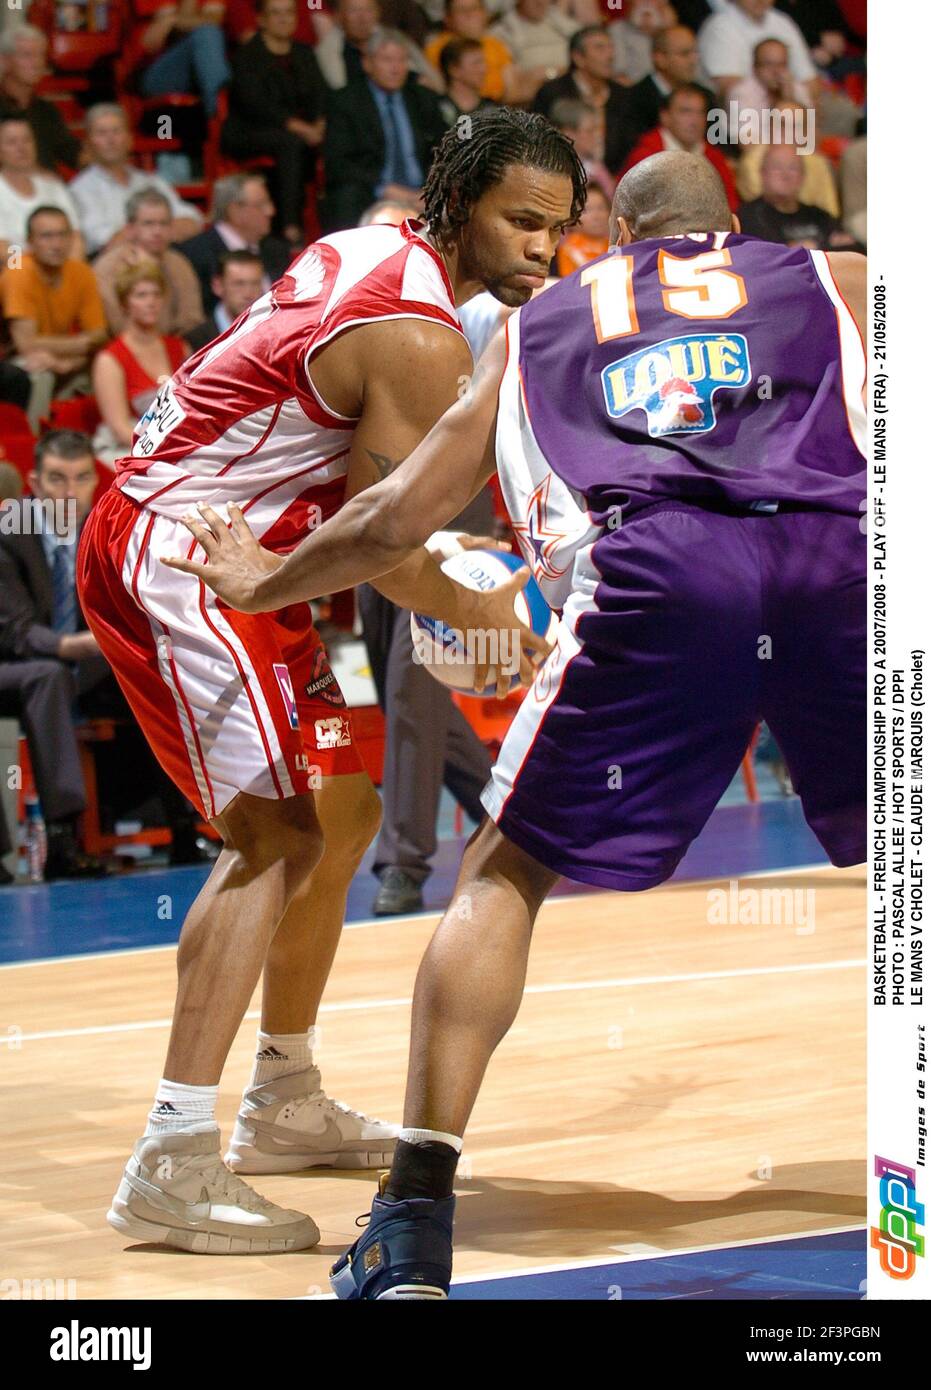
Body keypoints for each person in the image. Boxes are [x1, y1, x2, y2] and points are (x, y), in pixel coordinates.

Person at [169, 151, 867, 1299]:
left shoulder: (543, 322)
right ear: (731, 223)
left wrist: (263, 579)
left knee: (503, 875)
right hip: (839, 566)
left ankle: (412, 1220)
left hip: (657, 576)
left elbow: (395, 514)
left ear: (610, 234)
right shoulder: (835, 274)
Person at [76, 107, 580, 1255]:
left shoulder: (369, 240)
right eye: (521, 223)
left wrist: (462, 593)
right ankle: (170, 1155)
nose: (543, 252)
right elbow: (389, 549)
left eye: (557, 229)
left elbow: (356, 524)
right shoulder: (421, 337)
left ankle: (284, 1096)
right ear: (458, 204)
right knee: (274, 835)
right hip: (199, 558)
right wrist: (508, 614)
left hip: (270, 559)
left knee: (343, 807)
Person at [0, 431, 204, 878]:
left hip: (89, 668)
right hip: (18, 667)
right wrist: (89, 643)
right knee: (47, 675)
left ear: (97, 481)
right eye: (56, 479)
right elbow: (17, 633)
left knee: (157, 668)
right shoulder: (10, 534)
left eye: (79, 479)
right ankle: (61, 840)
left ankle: (187, 827)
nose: (68, 493)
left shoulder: (110, 529)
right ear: (34, 482)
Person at [221, 0, 328, 248]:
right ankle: (290, 228)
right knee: (290, 144)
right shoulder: (248, 55)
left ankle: (336, 223)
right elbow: (255, 105)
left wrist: (321, 124)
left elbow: (321, 94)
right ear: (261, 19)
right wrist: (303, 129)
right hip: (250, 131)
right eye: (275, 13)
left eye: (289, 13)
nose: (283, 19)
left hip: (303, 132)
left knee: (338, 137)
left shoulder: (304, 52)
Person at [321, 29, 447, 233]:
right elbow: (338, 163)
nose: (396, 68)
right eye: (387, 60)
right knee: (345, 195)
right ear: (367, 63)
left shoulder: (423, 98)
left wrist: (430, 190)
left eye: (402, 60)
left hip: (422, 191)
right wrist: (386, 189)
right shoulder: (345, 102)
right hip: (372, 190)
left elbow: (444, 148)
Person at [1, 205, 107, 432]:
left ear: (72, 238)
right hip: (17, 361)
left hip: (68, 360)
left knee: (107, 365)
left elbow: (99, 336)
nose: (56, 244)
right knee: (40, 373)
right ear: (30, 241)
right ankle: (33, 444)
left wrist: (67, 362)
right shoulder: (18, 270)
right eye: (47, 236)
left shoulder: (81, 272)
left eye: (62, 235)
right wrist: (81, 343)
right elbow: (26, 345)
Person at [68, 104, 203, 259]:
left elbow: (192, 220)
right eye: (102, 133)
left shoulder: (151, 182)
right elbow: (105, 241)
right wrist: (161, 230)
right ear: (88, 143)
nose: (110, 139)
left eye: (116, 131)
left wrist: (141, 232)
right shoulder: (80, 189)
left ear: (129, 139)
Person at [92, 261, 189, 469]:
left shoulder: (180, 348)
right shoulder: (109, 359)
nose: (151, 302)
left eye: (156, 294)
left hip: (180, 443)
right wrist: (164, 452)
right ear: (125, 303)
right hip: (131, 448)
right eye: (141, 295)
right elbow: (119, 428)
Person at [93, 187, 205, 337]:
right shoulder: (106, 269)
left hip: (177, 350)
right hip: (126, 351)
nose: (157, 231)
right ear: (130, 229)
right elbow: (117, 327)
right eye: (148, 224)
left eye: (163, 224)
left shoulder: (180, 263)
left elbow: (192, 321)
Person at [174, 173, 293, 313]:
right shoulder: (194, 254)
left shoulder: (276, 249)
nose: (270, 211)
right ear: (235, 211)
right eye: (261, 205)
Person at [533, 25, 637, 174]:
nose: (610, 55)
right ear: (578, 57)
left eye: (611, 47)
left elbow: (631, 146)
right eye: (600, 48)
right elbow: (540, 143)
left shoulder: (624, 95)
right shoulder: (552, 94)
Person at [621, 84, 739, 210]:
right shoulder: (645, 157)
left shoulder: (715, 158)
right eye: (685, 111)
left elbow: (730, 208)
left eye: (700, 112)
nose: (694, 121)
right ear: (665, 116)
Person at [738, 144, 854, 248]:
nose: (785, 175)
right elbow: (770, 254)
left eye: (793, 168)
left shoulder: (819, 216)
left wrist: (810, 246)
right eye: (777, 167)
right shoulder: (748, 216)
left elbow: (852, 246)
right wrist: (826, 245)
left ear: (803, 176)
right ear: (762, 173)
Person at [698, 0, 817, 102]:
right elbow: (728, 87)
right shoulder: (720, 26)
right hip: (741, 115)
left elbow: (810, 81)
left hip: (788, 108)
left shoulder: (783, 22)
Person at [0, 117, 82, 265]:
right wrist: (31, 271)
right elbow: (3, 248)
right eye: (12, 142)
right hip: (16, 274)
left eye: (27, 140)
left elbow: (75, 236)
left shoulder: (53, 187)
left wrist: (70, 271)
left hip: (61, 271)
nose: (21, 147)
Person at [0, 25, 81, 172]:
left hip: (48, 192)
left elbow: (73, 154)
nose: (37, 63)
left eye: (40, 55)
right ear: (4, 60)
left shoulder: (46, 111)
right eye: (27, 55)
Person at [625, 24, 714, 136]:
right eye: (684, 54)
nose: (693, 60)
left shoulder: (706, 97)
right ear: (660, 58)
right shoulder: (633, 101)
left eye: (695, 53)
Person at [185, 247, 265, 350]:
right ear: (217, 286)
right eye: (239, 284)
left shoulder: (274, 335)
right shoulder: (195, 340)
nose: (248, 293)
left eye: (255, 283)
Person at [437, 37, 497, 126]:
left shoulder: (492, 110)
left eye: (483, 62)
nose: (484, 69)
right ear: (453, 69)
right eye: (476, 63)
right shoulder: (436, 110)